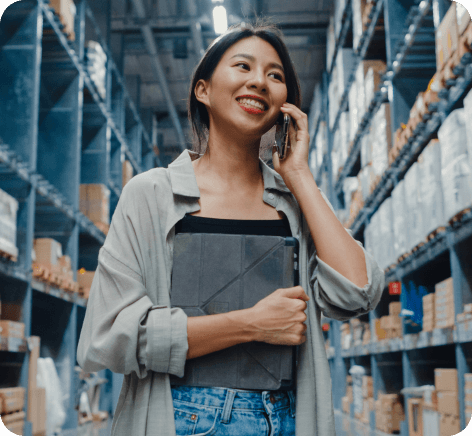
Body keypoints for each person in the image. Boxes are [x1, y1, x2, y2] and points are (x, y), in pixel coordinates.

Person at [77, 22, 385, 436]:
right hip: (181, 418)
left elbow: (358, 291)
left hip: (286, 419)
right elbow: (108, 337)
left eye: (275, 76)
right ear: (202, 90)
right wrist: (252, 324)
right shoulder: (151, 195)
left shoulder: (294, 204)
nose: (259, 81)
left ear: (285, 104)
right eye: (243, 66)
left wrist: (300, 176)